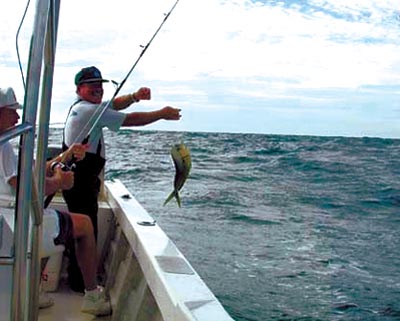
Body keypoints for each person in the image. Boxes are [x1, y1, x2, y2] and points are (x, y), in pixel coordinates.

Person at [62, 66, 181, 291]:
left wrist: (135, 96)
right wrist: (162, 114)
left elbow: (115, 104)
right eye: (92, 85)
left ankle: (77, 278)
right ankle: (82, 285)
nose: (98, 89)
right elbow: (131, 119)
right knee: (85, 233)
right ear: (79, 89)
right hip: (80, 182)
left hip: (77, 179)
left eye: (100, 85)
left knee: (82, 229)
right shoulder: (91, 111)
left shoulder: (81, 107)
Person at [0, 87, 111, 316]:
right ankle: (91, 295)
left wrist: (66, 155)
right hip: (18, 224)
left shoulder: (7, 143)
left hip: (12, 219)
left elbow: (33, 171)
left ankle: (35, 290)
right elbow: (20, 186)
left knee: (56, 226)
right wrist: (58, 183)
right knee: (84, 225)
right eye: (13, 111)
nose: (18, 117)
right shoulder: (4, 146)